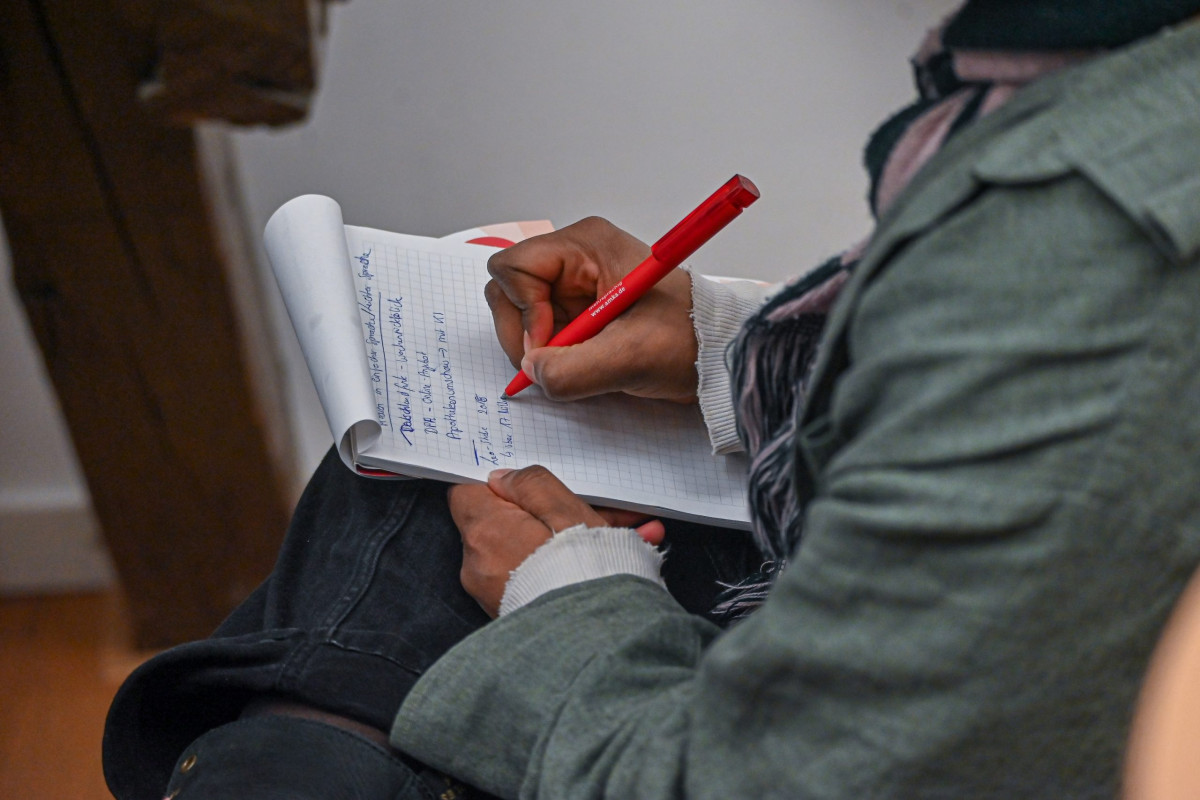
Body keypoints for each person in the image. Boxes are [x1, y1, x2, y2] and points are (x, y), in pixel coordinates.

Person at [103, 2, 1200, 798]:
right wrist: (730, 349)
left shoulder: (1081, 233)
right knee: (404, 494)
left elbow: (773, 779)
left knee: (381, 560)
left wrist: (569, 593)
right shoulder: (1125, 81)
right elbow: (1022, 386)